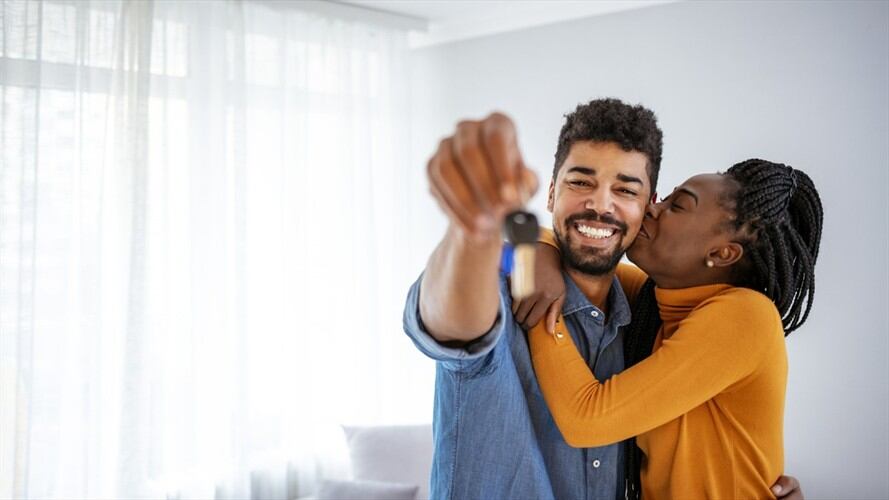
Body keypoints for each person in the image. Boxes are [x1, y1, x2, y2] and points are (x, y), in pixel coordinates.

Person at [403, 99, 802, 499]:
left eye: (627, 190)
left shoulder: (728, 314)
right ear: (552, 193)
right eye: (581, 183)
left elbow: (587, 419)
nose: (601, 204)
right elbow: (449, 315)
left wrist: (540, 296)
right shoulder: (642, 303)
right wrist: (486, 234)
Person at [524, 159, 822, 498]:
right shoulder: (657, 304)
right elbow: (569, 257)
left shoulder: (747, 316)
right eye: (664, 197)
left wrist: (540, 299)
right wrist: (541, 253)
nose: (651, 207)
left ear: (722, 253)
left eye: (677, 206)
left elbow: (586, 420)